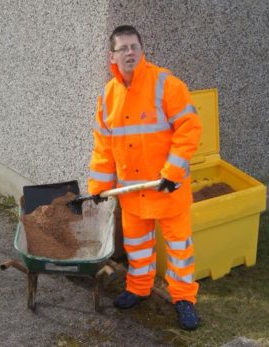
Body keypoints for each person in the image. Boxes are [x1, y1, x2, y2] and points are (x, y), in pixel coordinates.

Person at [87, 25, 203, 330]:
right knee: (137, 246)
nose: (129, 53)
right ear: (112, 55)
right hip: (132, 191)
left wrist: (173, 172)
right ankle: (138, 288)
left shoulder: (166, 84)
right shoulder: (108, 97)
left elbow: (189, 128)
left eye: (134, 47)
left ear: (142, 50)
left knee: (179, 250)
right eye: (123, 48)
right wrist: (99, 187)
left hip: (167, 189)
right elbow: (103, 147)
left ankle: (184, 299)